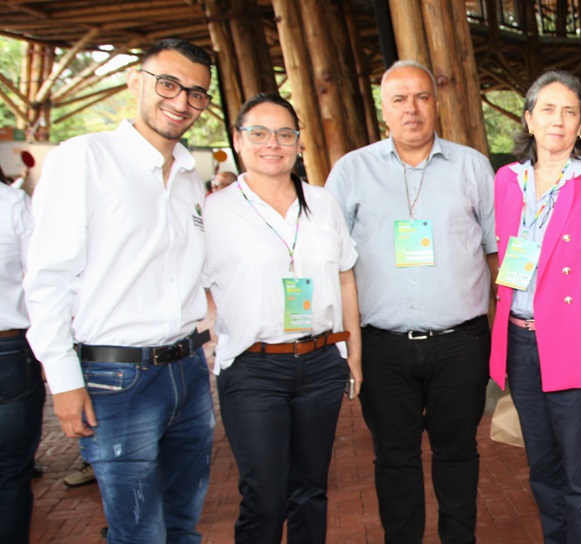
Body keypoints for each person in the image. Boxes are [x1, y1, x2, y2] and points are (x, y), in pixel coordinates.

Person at [24, 38, 216, 544]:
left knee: (182, 525)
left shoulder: (190, 176)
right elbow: (46, 280)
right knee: (138, 533)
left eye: (197, 93)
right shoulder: (84, 158)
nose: (181, 101)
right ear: (137, 81)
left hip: (189, 372)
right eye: (168, 84)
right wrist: (62, 378)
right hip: (117, 378)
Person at [326, 60, 496, 544]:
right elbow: (332, 264)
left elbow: (494, 250)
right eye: (399, 99)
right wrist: (346, 347)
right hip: (383, 346)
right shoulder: (352, 171)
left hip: (460, 343)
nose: (412, 108)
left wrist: (501, 326)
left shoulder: (471, 166)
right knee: (394, 459)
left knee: (459, 454)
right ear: (384, 109)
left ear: (436, 102)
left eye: (421, 96)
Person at [205, 93, 361, 543]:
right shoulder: (215, 210)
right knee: (265, 494)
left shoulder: (322, 203)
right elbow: (195, 286)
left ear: (298, 143)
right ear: (238, 140)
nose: (272, 143)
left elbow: (346, 278)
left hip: (320, 363)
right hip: (254, 368)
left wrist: (353, 357)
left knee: (310, 490)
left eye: (284, 134)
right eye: (258, 133)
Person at [488, 70, 581, 544]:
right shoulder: (508, 180)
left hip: (579, 343)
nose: (558, 119)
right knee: (542, 469)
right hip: (521, 339)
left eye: (569, 111)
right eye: (547, 110)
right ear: (529, 120)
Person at [0, 169, 43, 544]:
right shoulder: (11, 202)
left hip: (11, 353)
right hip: (9, 350)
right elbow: (40, 280)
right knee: (11, 473)